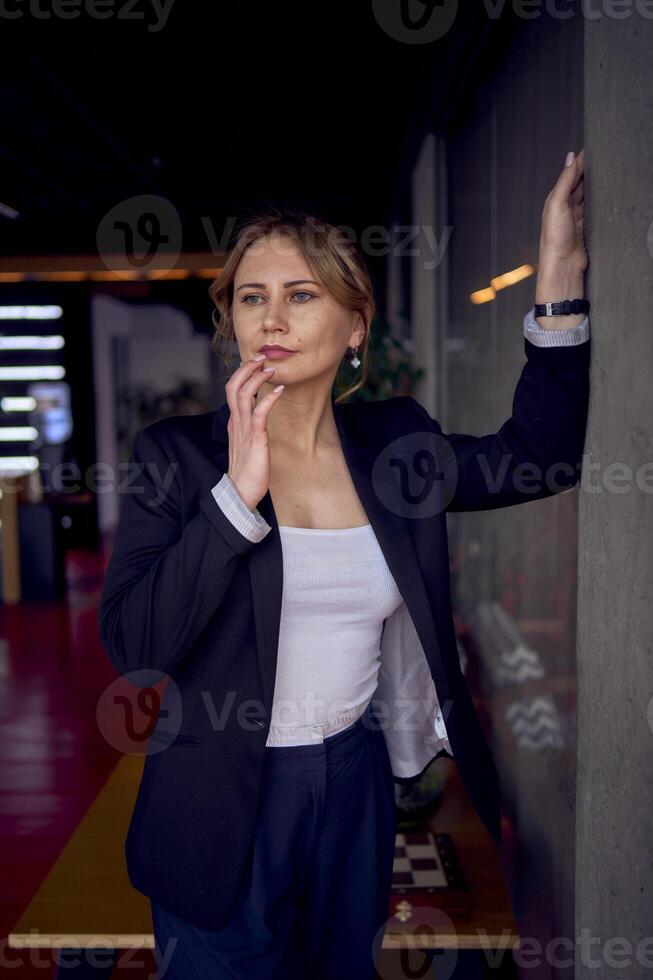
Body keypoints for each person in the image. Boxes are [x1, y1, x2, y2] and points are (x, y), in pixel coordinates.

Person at [98, 149, 590, 980]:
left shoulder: (394, 445)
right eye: (251, 298)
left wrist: (559, 272)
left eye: (300, 295)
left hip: (352, 780)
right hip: (219, 799)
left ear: (355, 324)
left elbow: (537, 457)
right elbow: (135, 646)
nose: (271, 318)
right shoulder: (175, 459)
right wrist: (236, 494)